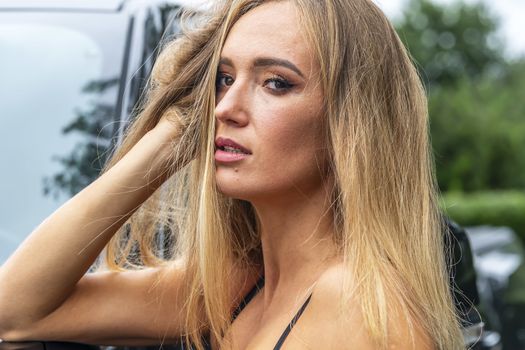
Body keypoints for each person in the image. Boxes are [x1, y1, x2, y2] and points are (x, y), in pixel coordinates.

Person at [0, 0, 465, 349]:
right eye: (223, 79)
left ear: (352, 125)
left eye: (276, 83)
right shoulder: (236, 287)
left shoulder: (365, 312)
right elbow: (15, 314)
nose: (224, 109)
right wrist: (171, 136)